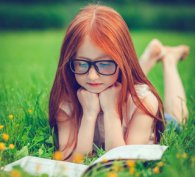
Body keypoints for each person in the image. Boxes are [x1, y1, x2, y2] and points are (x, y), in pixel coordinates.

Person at [49, 4, 189, 161]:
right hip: (120, 87)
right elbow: (71, 161)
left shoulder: (144, 102)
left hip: (157, 122)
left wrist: (110, 111)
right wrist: (89, 115)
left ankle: (170, 60)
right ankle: (148, 58)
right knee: (112, 77)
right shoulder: (66, 102)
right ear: (70, 60)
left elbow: (123, 161)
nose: (92, 76)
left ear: (123, 60)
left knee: (179, 118)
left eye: (105, 63)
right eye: (82, 63)